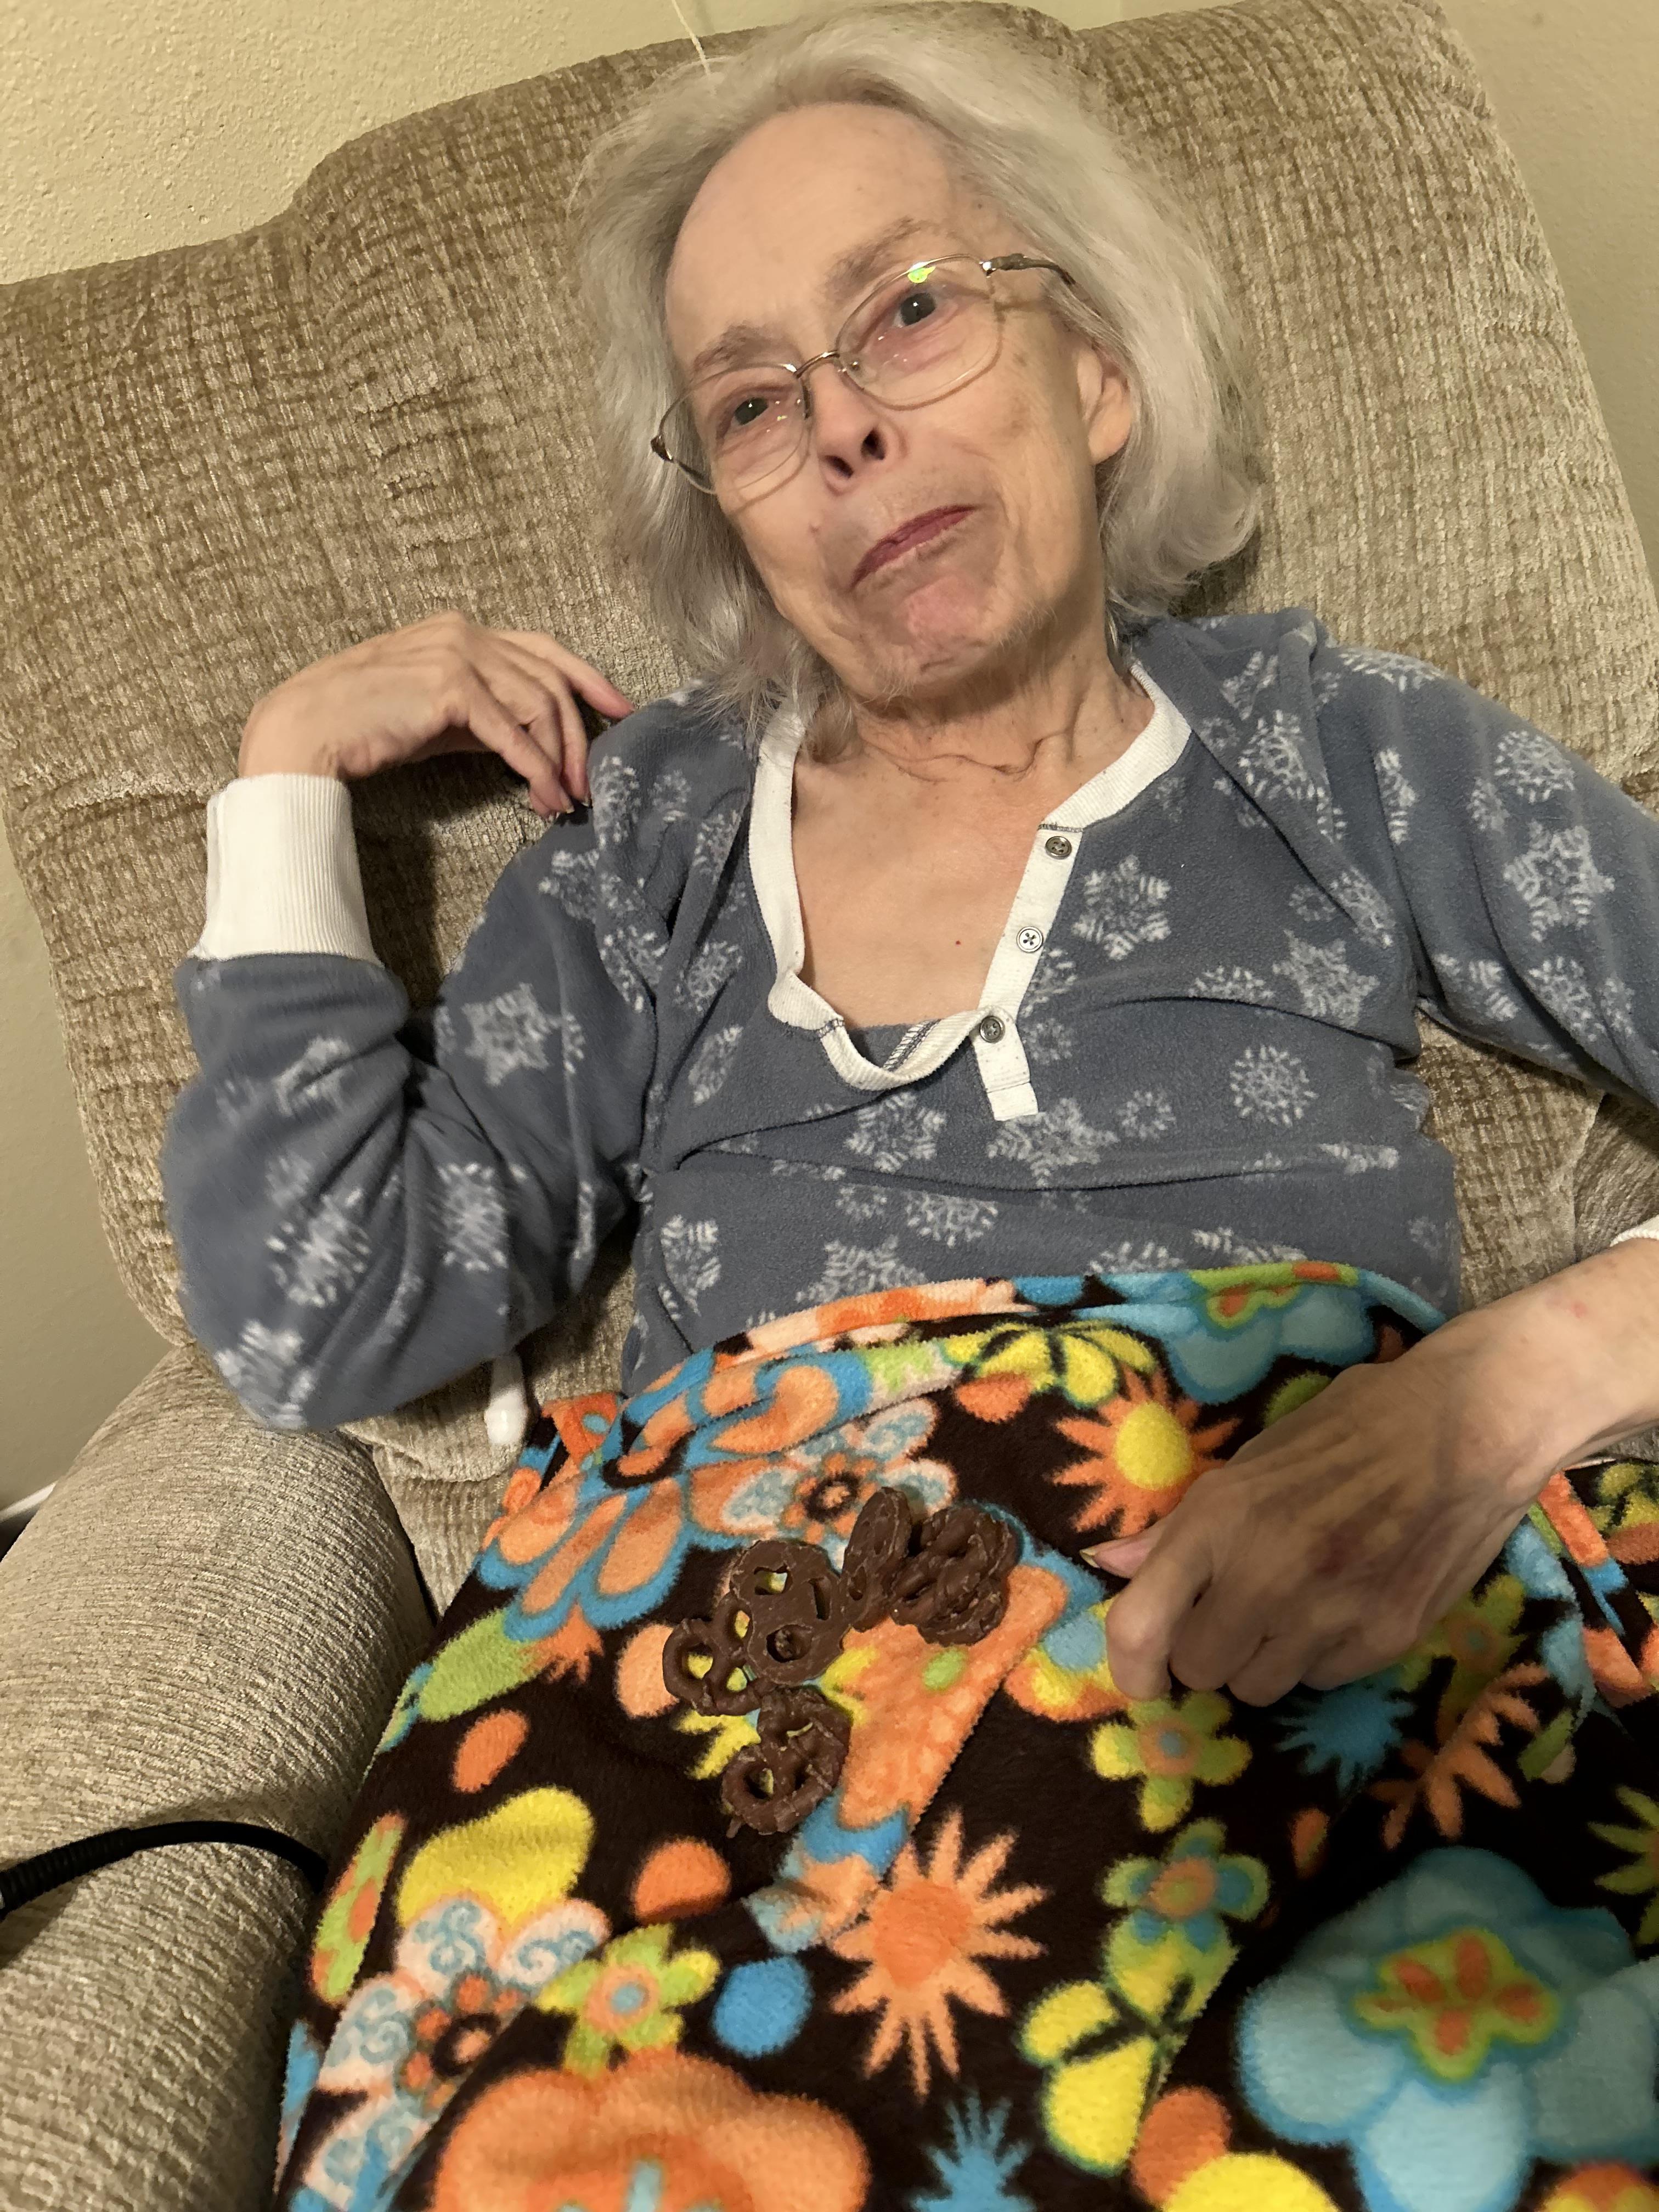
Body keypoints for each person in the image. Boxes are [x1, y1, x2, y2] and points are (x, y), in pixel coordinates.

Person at [162, 10, 1659, 2202]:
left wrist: (1556, 1354)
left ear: (1101, 374)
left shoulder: (1332, 746)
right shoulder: (648, 841)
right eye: (753, 404)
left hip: (1299, 1655)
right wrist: (285, 776)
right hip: (715, 1738)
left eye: (915, 310)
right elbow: (317, 1313)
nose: (846, 424)